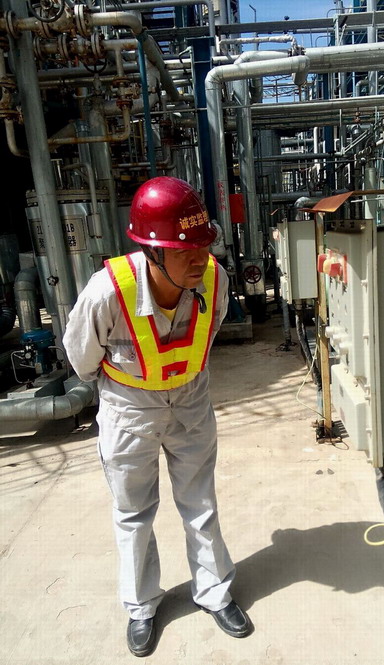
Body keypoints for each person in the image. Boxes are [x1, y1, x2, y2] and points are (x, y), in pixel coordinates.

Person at [63, 176, 252, 657]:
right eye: (184, 250)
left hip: (190, 402)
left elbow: (209, 334)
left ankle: (214, 592)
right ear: (151, 252)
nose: (199, 258)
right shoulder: (108, 293)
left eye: (203, 245)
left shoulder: (215, 280)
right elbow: (81, 356)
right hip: (129, 411)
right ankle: (141, 606)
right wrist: (129, 386)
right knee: (133, 513)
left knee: (200, 503)